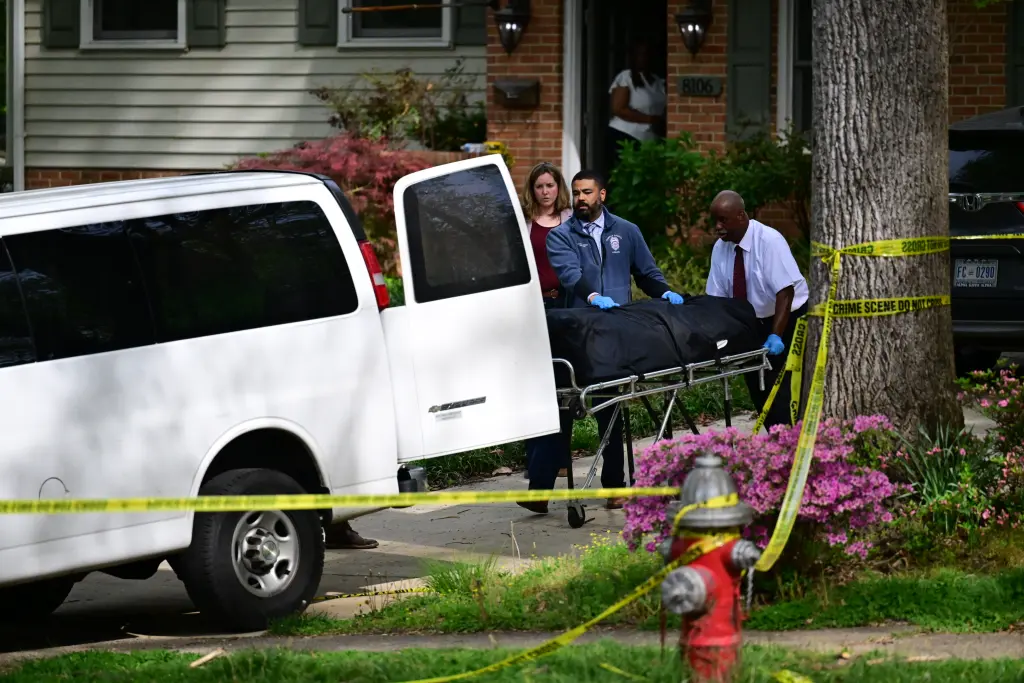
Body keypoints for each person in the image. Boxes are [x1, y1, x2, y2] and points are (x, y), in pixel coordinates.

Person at [517, 169, 684, 513]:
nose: (580, 198)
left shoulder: (627, 231)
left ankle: (615, 487)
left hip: (614, 333)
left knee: (610, 409)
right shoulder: (561, 236)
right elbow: (570, 274)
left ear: (602, 195)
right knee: (560, 407)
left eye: (587, 192)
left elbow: (647, 273)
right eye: (577, 192)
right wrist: (593, 297)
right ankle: (540, 491)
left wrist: (665, 292)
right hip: (576, 330)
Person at [705, 190, 809, 431]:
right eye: (715, 221)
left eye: (723, 220)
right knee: (757, 385)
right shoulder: (720, 248)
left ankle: (790, 440)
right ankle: (775, 439)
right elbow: (717, 299)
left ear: (741, 216)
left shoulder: (769, 241)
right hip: (752, 320)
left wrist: (776, 335)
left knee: (782, 388)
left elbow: (785, 292)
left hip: (788, 318)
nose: (718, 227)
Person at [519, 162, 574, 481]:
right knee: (537, 383)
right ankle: (536, 461)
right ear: (532, 189)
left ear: (558, 188)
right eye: (539, 186)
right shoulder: (524, 222)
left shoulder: (570, 220)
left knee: (564, 382)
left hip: (564, 304)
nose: (545, 192)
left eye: (550, 185)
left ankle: (562, 458)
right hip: (534, 306)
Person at [606, 40, 667, 181]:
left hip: (649, 141)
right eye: (640, 54)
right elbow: (618, 109)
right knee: (625, 180)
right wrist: (650, 119)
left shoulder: (658, 82)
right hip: (625, 137)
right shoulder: (626, 77)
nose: (644, 58)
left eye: (647, 54)